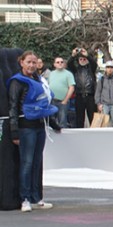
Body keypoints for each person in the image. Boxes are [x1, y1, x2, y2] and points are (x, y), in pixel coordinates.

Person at [7, 51, 62, 212]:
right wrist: (14, 131)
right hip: (26, 128)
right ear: (21, 63)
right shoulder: (17, 82)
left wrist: (55, 125)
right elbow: (13, 108)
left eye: (34, 62)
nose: (31, 65)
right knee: (27, 163)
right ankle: (25, 198)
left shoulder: (39, 81)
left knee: (37, 164)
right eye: (28, 62)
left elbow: (43, 106)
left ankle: (36, 197)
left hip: (39, 127)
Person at [68, 47, 98, 128]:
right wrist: (73, 55)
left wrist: (87, 55)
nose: (82, 60)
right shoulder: (76, 70)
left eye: (84, 59)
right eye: (80, 59)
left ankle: (94, 135)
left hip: (90, 95)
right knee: (79, 118)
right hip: (79, 95)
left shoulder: (91, 69)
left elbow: (94, 64)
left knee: (92, 117)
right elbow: (69, 64)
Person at [47, 56, 75, 129]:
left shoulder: (68, 74)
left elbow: (71, 88)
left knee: (62, 122)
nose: (60, 63)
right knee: (52, 121)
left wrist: (65, 100)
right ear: (54, 64)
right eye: (58, 62)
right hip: (52, 101)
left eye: (61, 62)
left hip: (63, 101)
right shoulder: (51, 74)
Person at [95, 60, 113, 128]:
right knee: (103, 124)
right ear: (105, 69)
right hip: (104, 105)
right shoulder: (101, 79)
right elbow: (98, 92)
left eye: (111, 67)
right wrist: (98, 104)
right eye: (108, 67)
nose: (109, 69)